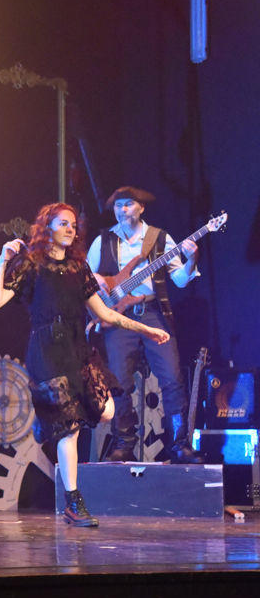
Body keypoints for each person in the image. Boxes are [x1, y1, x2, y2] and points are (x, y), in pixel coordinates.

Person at [0, 203, 170, 526]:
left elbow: (105, 313)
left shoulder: (78, 268)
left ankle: (49, 422)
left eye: (73, 225)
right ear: (48, 228)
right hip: (46, 350)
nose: (71, 229)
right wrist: (4, 259)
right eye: (63, 224)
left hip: (76, 347)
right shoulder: (31, 264)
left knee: (108, 410)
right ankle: (74, 502)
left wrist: (148, 329)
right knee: (69, 430)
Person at [87, 187, 203, 463]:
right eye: (118, 206)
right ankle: (124, 441)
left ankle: (179, 444)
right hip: (117, 316)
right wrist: (96, 278)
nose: (122, 210)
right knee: (119, 381)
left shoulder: (160, 238)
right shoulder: (102, 240)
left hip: (151, 310)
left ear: (141, 208)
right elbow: (83, 277)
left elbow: (180, 279)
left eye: (128, 205)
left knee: (171, 378)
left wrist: (192, 259)